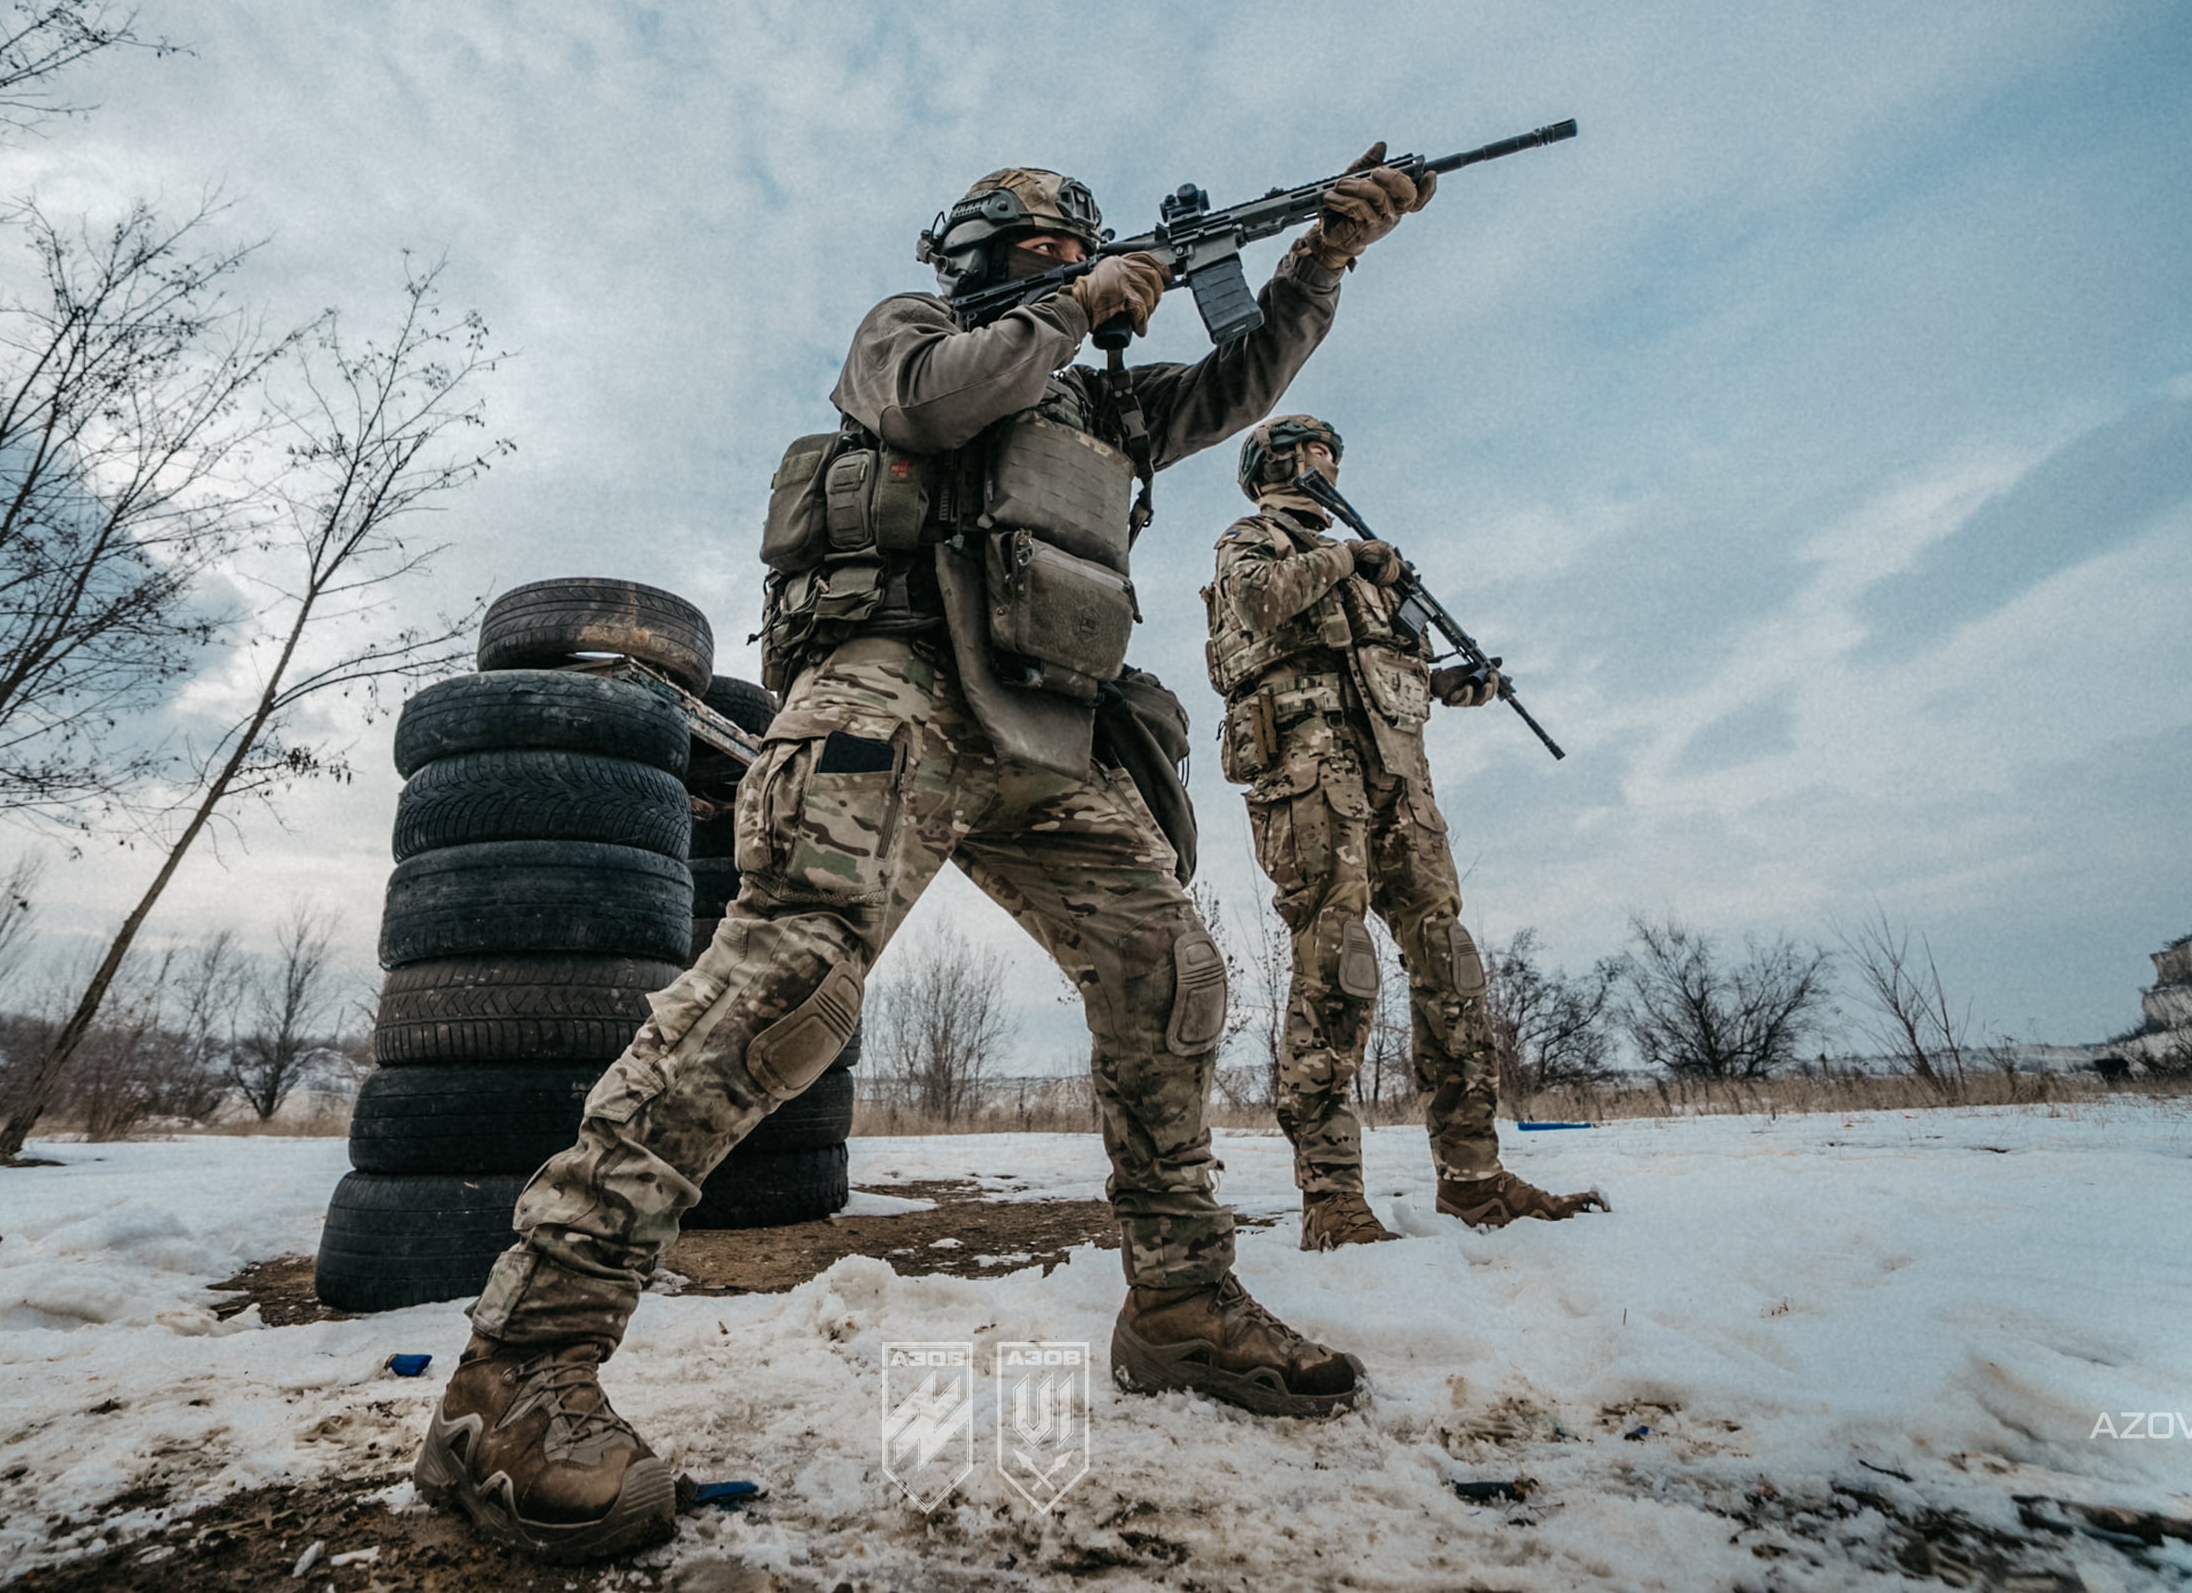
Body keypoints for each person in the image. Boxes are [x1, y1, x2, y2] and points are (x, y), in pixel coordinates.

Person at [412, 149, 1436, 1562]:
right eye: (1031, 244)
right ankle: (516, 1374)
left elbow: (1241, 382)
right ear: (976, 255)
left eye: (1071, 245)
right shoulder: (914, 331)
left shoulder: (1102, 406)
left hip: (1044, 725)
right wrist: (1075, 305)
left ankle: (1182, 1303)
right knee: (782, 986)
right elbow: (930, 402)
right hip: (892, 695)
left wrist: (1324, 258)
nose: (1056, 257)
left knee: (1173, 978)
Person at [1202, 415, 1608, 1250]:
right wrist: (1351, 557)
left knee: (1451, 964)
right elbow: (1260, 603)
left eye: (1334, 454)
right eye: (1315, 452)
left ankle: (1474, 1180)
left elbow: (1396, 676)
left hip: (1399, 787)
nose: (1331, 463)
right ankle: (1333, 1199)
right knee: (1336, 969)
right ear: (1277, 463)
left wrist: (1464, 685)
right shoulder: (1254, 540)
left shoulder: (1368, 573)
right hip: (1315, 782)